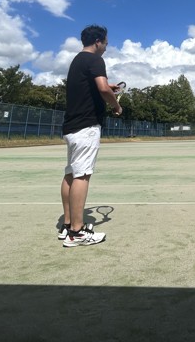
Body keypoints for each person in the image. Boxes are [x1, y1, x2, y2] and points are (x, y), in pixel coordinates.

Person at [58, 24, 123, 247]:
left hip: (71, 126)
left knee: (70, 173)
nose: (106, 47)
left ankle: (67, 226)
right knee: (82, 175)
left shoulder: (78, 60)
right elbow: (103, 89)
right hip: (86, 126)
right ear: (98, 42)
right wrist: (116, 106)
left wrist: (107, 86)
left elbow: (98, 86)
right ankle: (77, 232)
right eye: (105, 43)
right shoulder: (96, 59)